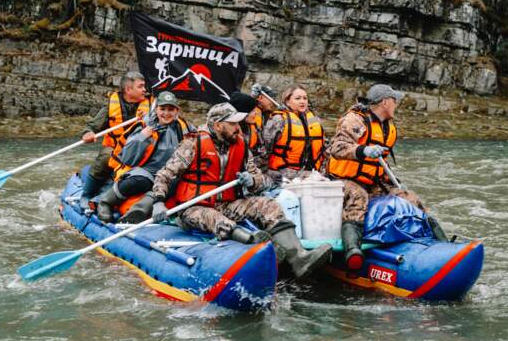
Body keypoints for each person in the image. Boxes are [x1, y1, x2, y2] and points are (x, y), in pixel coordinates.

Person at [144, 102, 331, 279]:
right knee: (216, 218)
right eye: (232, 123)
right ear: (218, 125)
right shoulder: (193, 144)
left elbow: (261, 180)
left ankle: (298, 258)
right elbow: (164, 175)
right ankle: (256, 244)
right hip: (193, 208)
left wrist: (251, 181)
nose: (238, 127)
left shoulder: (240, 144)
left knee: (269, 205)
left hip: (227, 203)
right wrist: (159, 201)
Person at [325, 83, 426, 270]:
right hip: (343, 179)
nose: (397, 104)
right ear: (386, 102)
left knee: (409, 198)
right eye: (395, 100)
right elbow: (336, 148)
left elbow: (381, 161)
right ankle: (352, 251)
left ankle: (432, 241)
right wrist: (364, 150)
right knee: (358, 196)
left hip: (373, 180)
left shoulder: (387, 125)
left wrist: (392, 182)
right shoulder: (355, 120)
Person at [94, 91, 194, 223]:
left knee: (168, 186)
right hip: (146, 170)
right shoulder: (144, 125)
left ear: (177, 111)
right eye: (162, 109)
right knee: (139, 181)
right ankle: (105, 202)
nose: (166, 113)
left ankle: (137, 212)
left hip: (169, 174)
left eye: (171, 109)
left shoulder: (185, 127)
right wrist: (142, 137)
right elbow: (127, 157)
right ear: (156, 109)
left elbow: (200, 139)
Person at [78, 71, 151, 209]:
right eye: (140, 86)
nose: (144, 90)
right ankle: (87, 194)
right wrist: (88, 133)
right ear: (128, 89)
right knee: (106, 157)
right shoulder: (111, 106)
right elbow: (93, 126)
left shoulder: (151, 106)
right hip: (114, 148)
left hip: (138, 149)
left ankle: (109, 196)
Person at [261, 85, 325, 183]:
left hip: (311, 174)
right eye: (297, 98)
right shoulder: (278, 119)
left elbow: (324, 148)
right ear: (287, 101)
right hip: (282, 174)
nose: (302, 101)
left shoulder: (315, 120)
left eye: (305, 98)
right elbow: (265, 149)